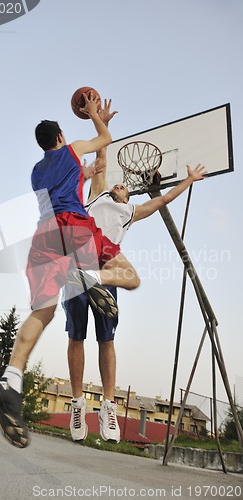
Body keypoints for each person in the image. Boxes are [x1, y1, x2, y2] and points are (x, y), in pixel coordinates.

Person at [0, 94, 141, 448]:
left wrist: (86, 174)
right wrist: (96, 116)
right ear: (59, 137)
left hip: (42, 238)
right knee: (130, 276)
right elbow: (105, 141)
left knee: (43, 310)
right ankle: (89, 277)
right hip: (73, 228)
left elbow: (68, 184)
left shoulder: (37, 171)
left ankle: (11, 379)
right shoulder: (71, 149)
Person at [63, 101, 207, 443]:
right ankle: (78, 401)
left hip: (104, 272)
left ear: (130, 193)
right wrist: (101, 120)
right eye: (116, 184)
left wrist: (187, 179)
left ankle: (108, 407)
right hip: (80, 261)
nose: (118, 186)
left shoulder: (130, 211)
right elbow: (103, 155)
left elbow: (162, 200)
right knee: (75, 336)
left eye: (123, 187)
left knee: (107, 340)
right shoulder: (97, 195)